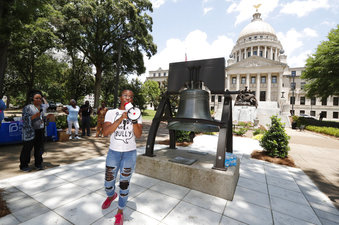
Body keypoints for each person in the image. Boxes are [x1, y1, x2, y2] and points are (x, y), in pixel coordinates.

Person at [101, 90, 142, 225]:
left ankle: (120, 212)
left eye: (130, 96)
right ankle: (111, 195)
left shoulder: (136, 112)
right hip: (114, 152)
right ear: (120, 97)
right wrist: (121, 119)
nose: (128, 98)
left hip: (129, 153)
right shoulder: (111, 112)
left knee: (124, 183)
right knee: (108, 183)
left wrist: (133, 119)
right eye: (125, 96)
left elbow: (138, 134)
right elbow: (106, 132)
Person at [19, 91, 46, 171]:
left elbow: (42, 118)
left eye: (40, 98)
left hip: (40, 130)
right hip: (30, 132)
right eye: (37, 98)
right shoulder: (28, 107)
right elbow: (24, 119)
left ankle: (38, 164)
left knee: (39, 148)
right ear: (32, 99)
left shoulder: (42, 107)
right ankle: (24, 165)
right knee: (27, 149)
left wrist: (46, 118)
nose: (39, 100)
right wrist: (34, 116)